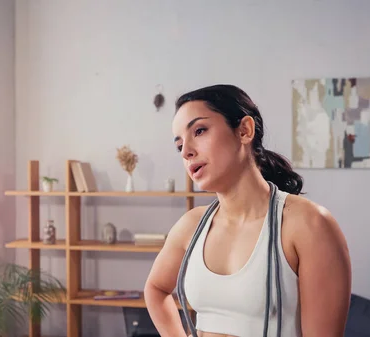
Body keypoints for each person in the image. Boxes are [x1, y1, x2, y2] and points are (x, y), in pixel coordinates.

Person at [144, 84, 352, 337]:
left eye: (199, 131)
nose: (186, 151)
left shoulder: (308, 224)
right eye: (179, 146)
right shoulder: (192, 226)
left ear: (244, 130)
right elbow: (155, 289)